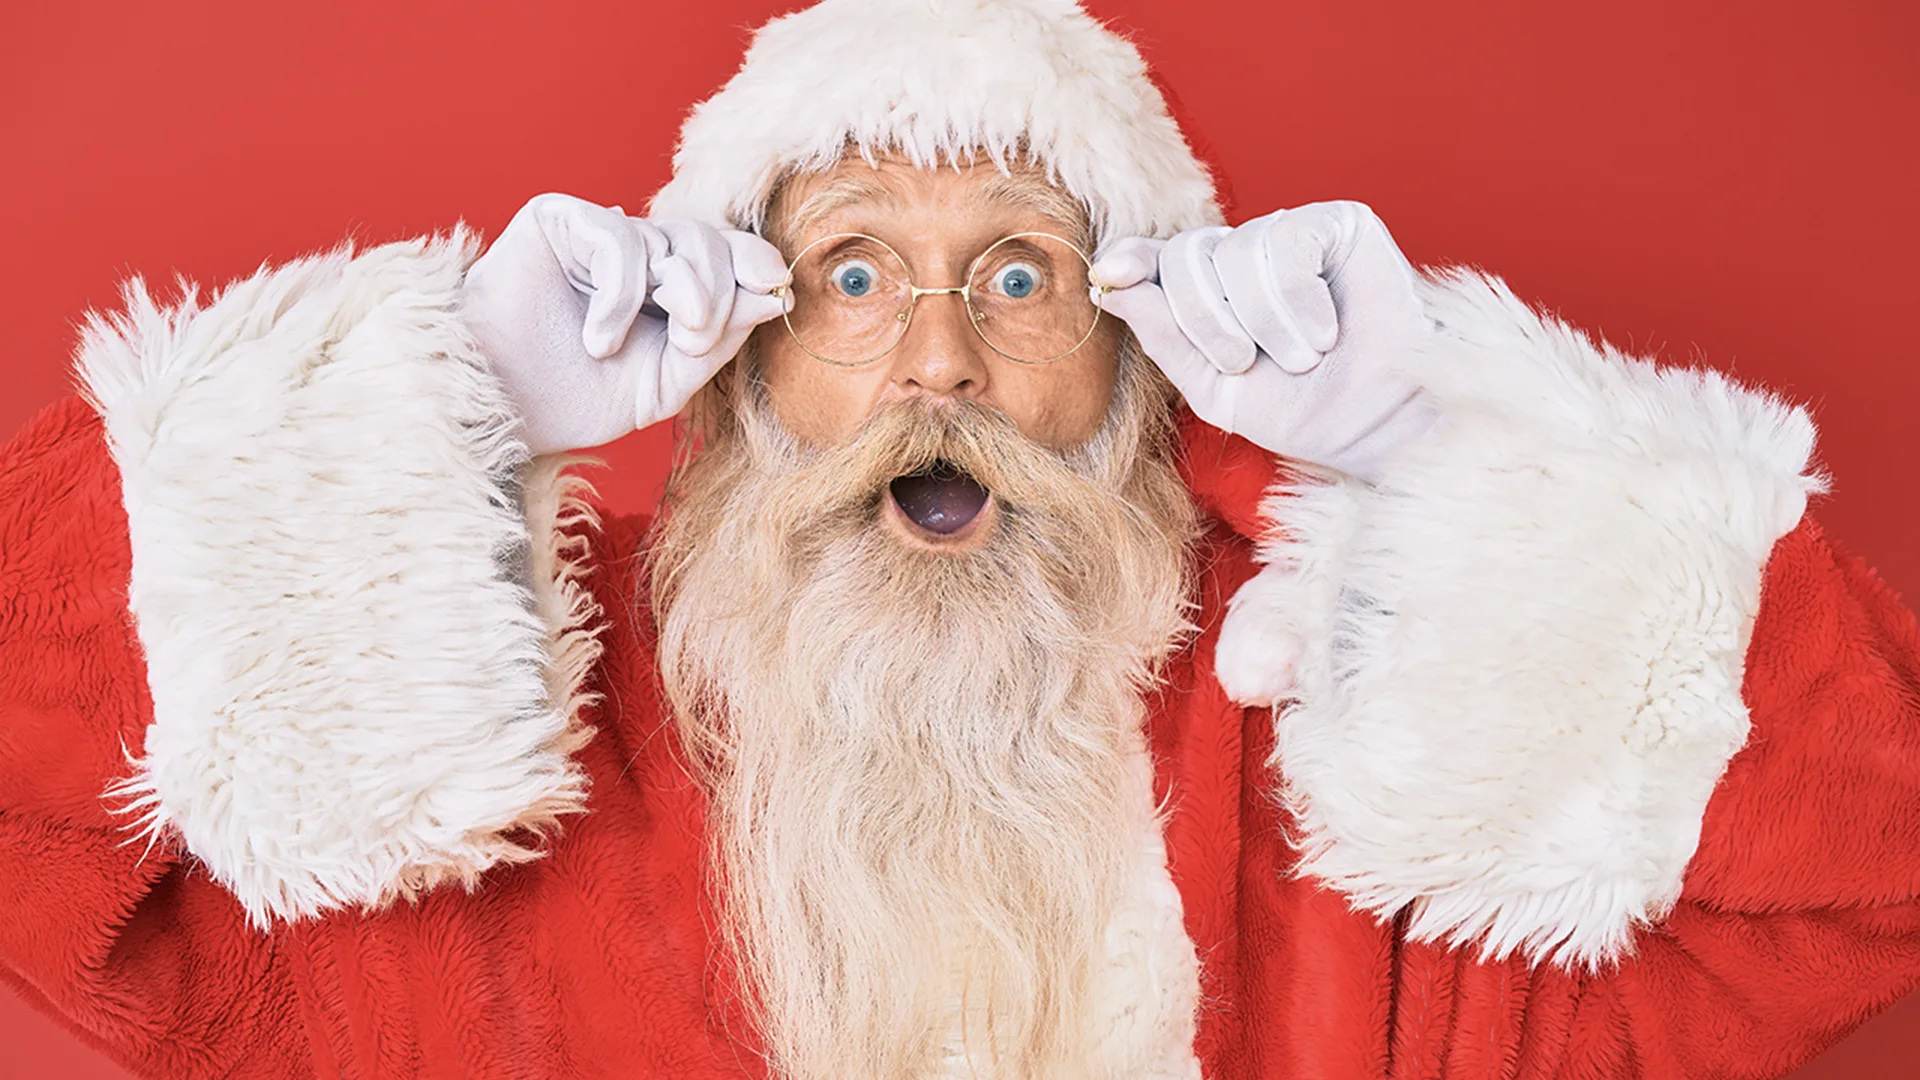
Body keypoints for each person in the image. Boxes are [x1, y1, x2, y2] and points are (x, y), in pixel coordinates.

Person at [2, 0, 1916, 1076]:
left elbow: (1874, 862)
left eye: (1021, 272)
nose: (937, 360)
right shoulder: (486, 791)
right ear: (737, 355)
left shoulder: (1368, 792)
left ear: (1144, 353)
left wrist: (1444, 450)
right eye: (849, 273)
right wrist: (426, 410)